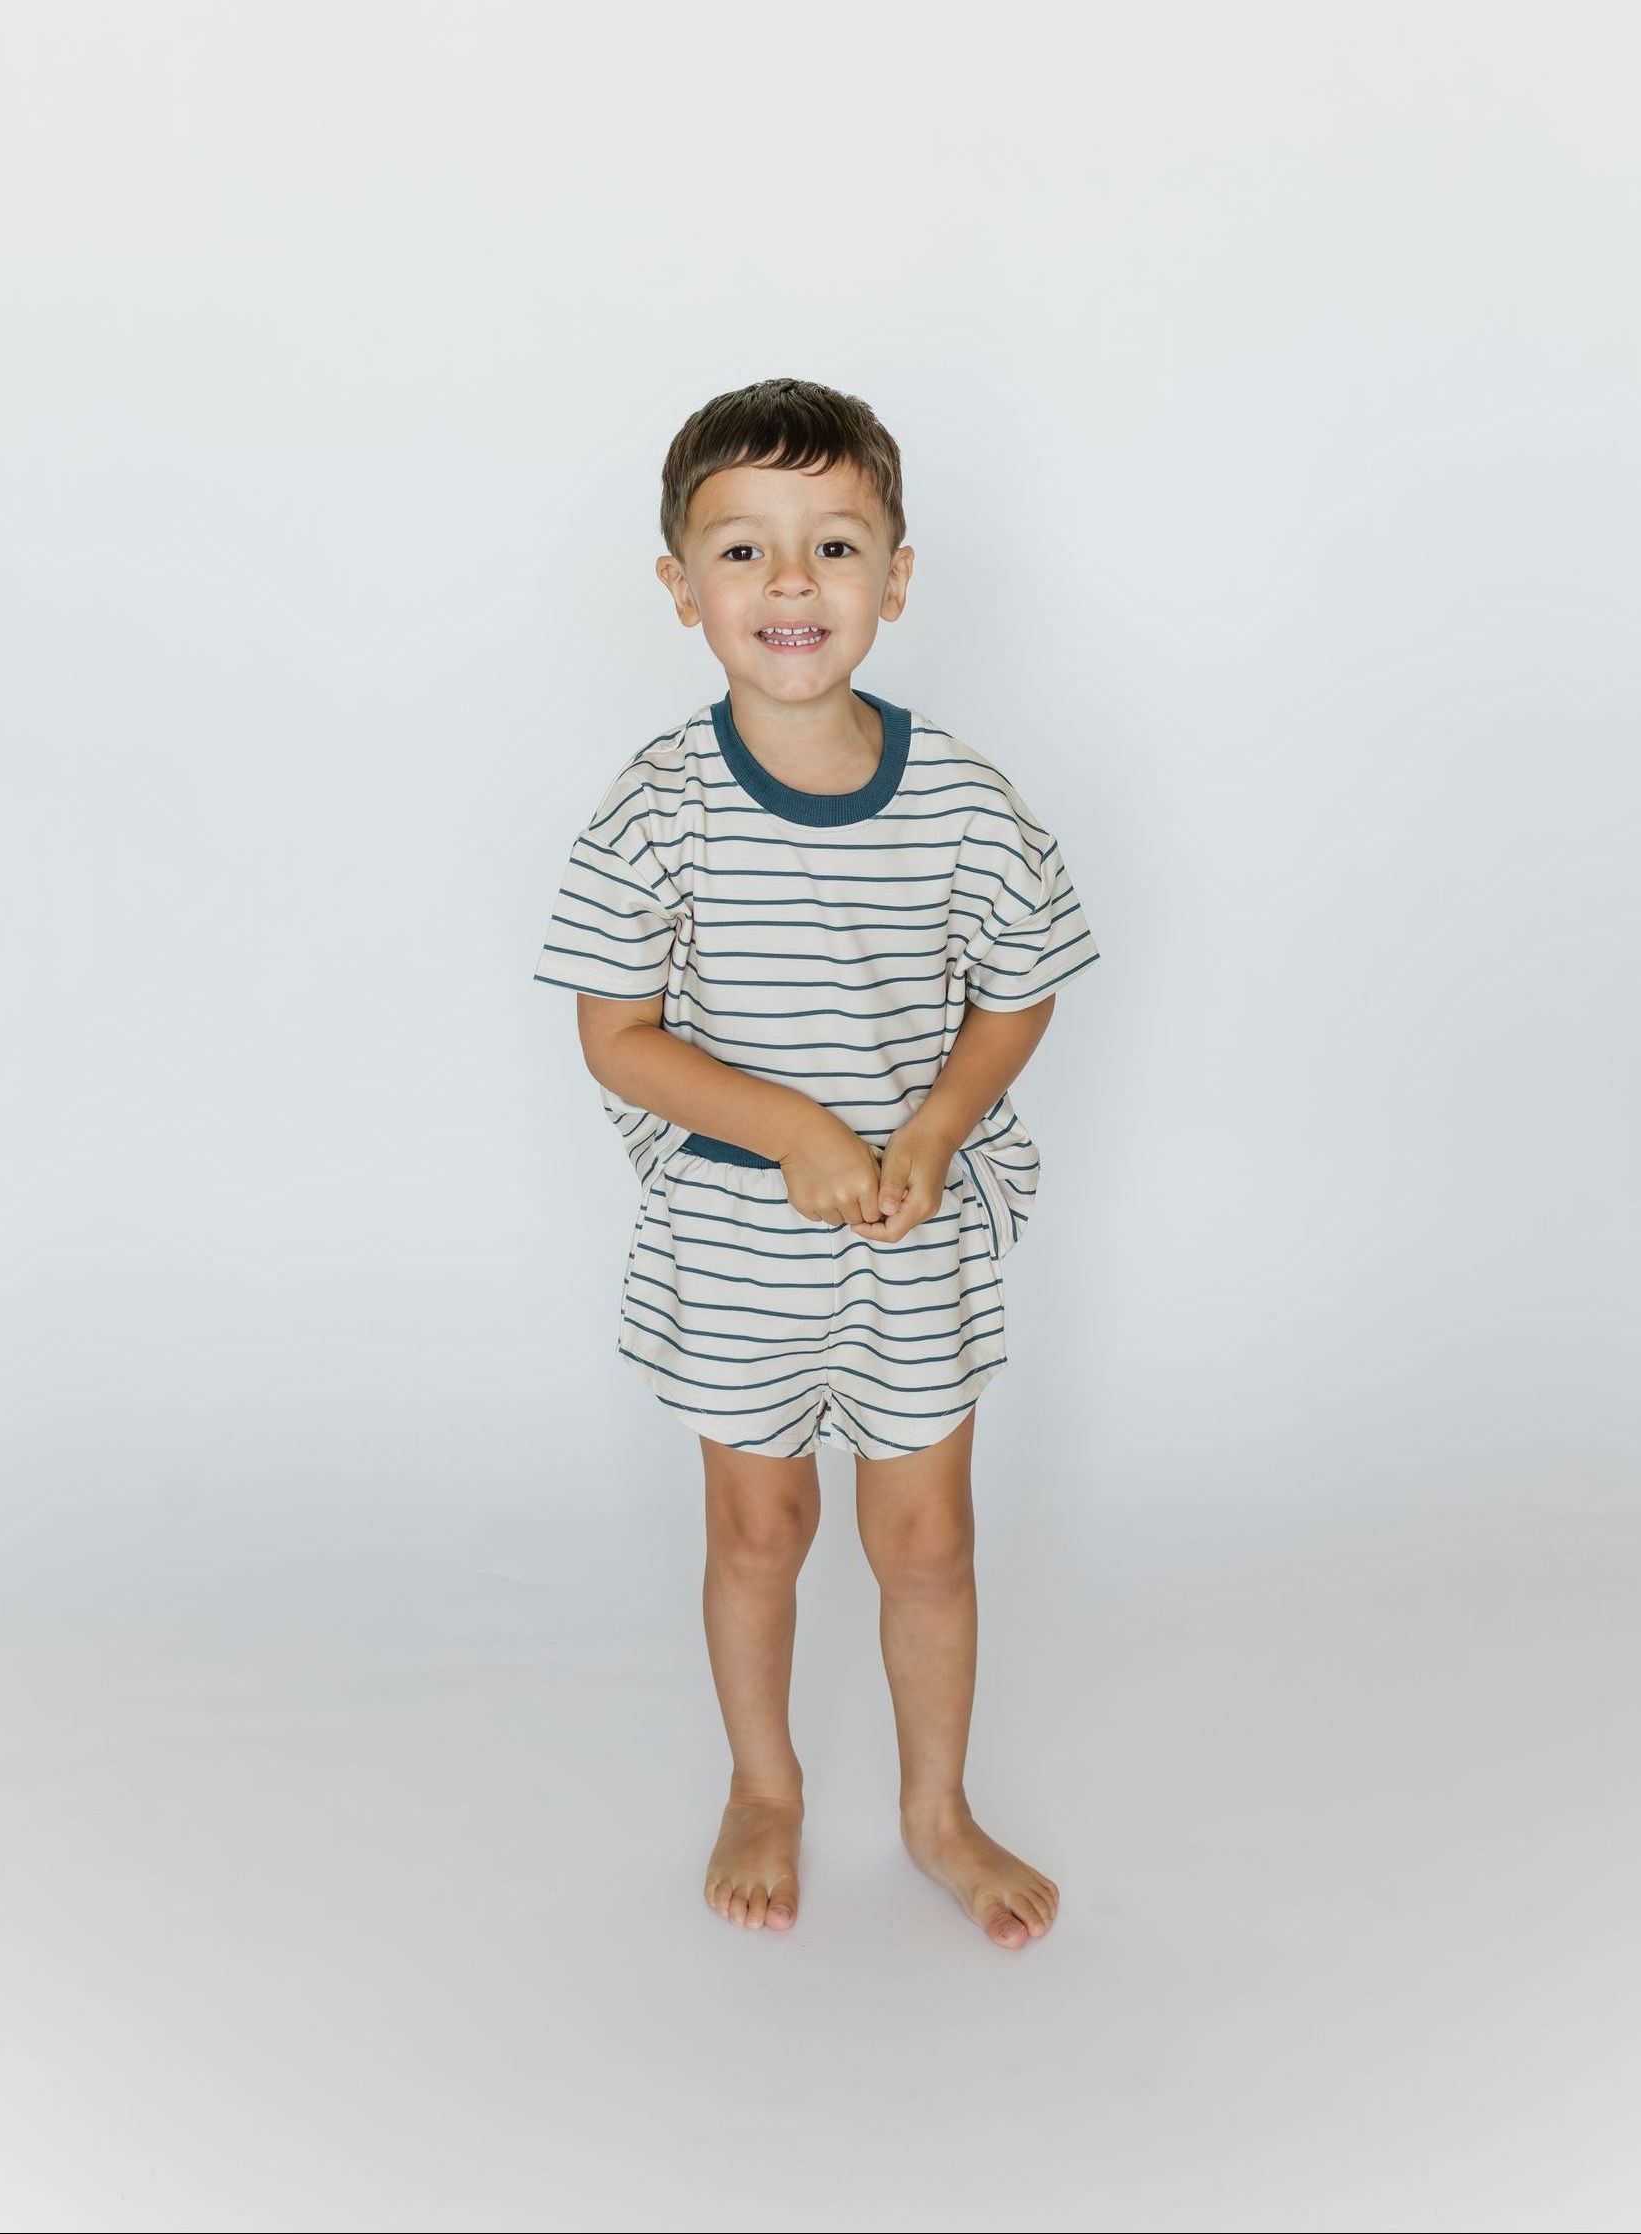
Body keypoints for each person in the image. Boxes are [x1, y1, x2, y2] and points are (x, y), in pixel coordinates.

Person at [533, 377, 1101, 1950]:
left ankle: (935, 1807)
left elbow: (1023, 982)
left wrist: (926, 1131)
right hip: (738, 1247)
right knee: (758, 1529)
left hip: (912, 1238)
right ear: (681, 588)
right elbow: (617, 1034)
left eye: (835, 543)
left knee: (926, 1539)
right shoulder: (658, 807)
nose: (792, 583)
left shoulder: (968, 798)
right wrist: (794, 1130)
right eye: (744, 550)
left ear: (896, 578)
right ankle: (766, 1780)